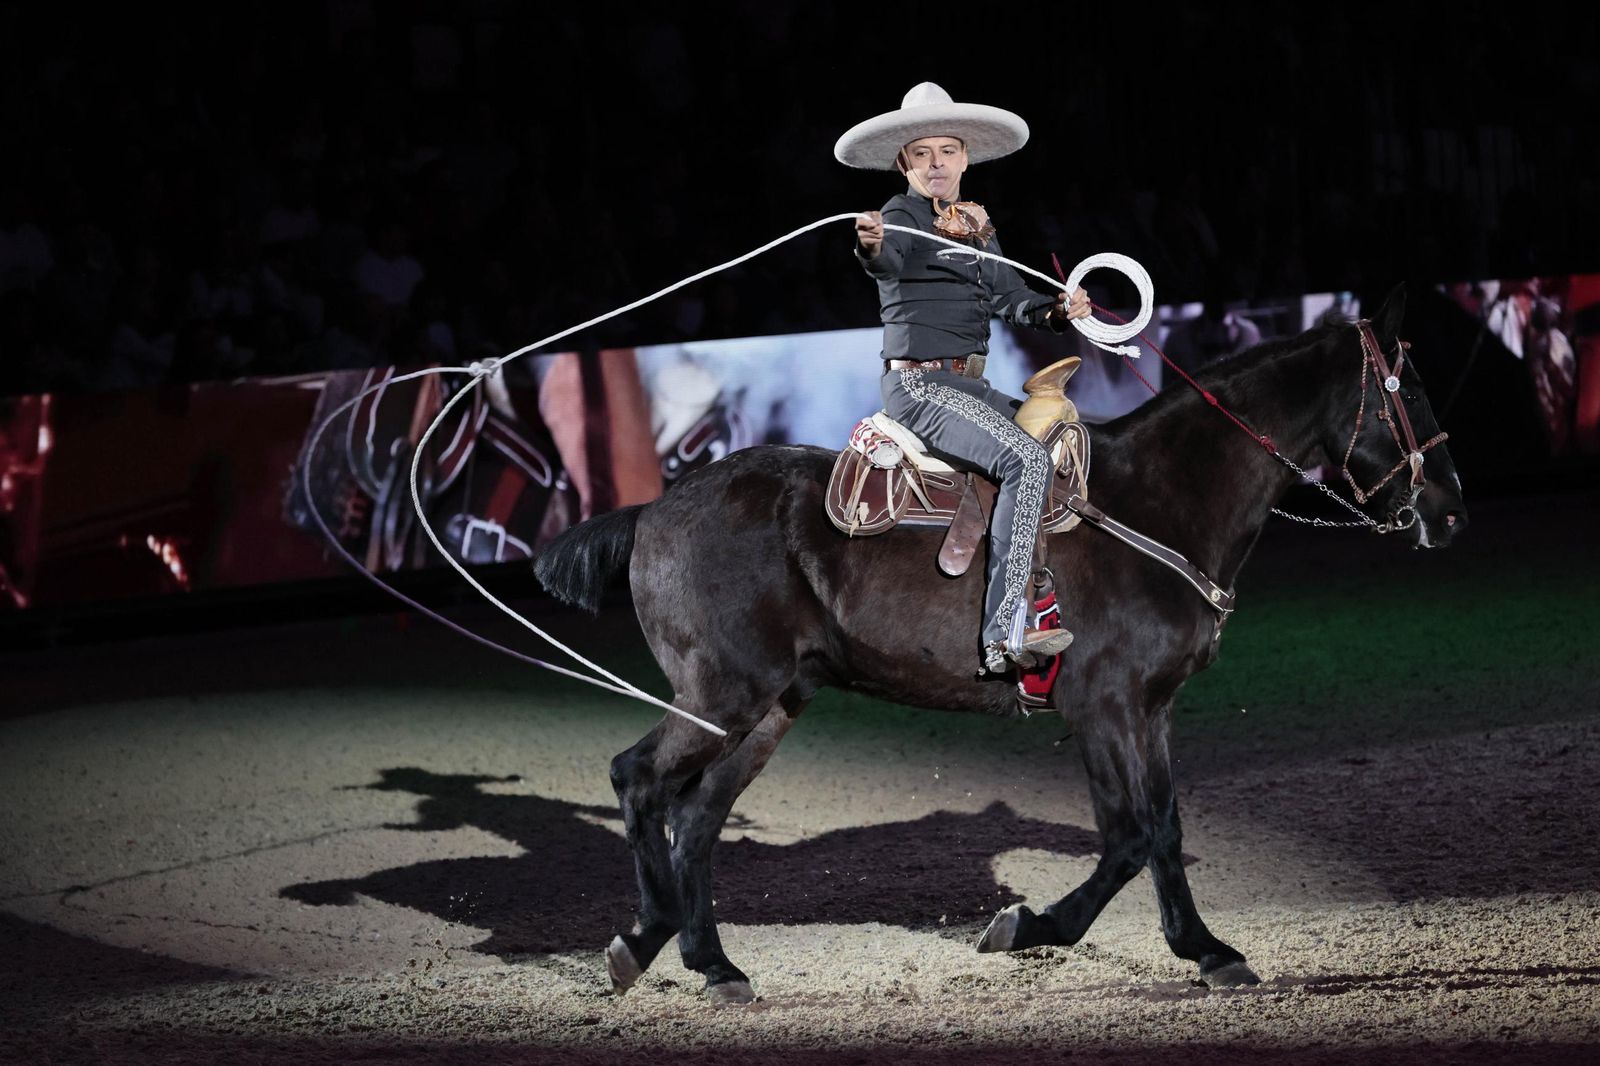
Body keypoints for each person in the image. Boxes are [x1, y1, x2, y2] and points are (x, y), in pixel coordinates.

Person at [835, 82, 1091, 676]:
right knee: (1027, 462)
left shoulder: (979, 229)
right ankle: (1005, 636)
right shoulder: (899, 216)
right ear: (904, 164)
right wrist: (869, 245)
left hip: (971, 388)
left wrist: (1057, 309)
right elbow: (887, 257)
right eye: (921, 153)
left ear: (965, 158)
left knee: (1066, 443)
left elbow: (1010, 297)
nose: (936, 163)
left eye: (946, 151)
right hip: (922, 388)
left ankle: (1052, 596)